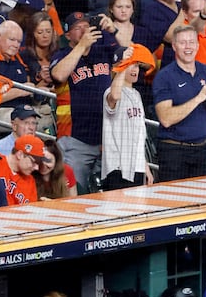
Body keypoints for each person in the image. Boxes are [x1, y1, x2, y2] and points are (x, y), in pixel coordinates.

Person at [50, 11, 123, 193]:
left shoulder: (104, 49)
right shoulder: (63, 54)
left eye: (86, 26)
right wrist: (81, 47)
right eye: (77, 28)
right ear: (67, 35)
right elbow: (58, 74)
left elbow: (132, 57)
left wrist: (113, 31)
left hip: (108, 137)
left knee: (112, 192)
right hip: (76, 139)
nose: (83, 31)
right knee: (73, 193)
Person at [153, 25, 206, 181]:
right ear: (174, 46)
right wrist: (198, 98)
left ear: (198, 45)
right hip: (174, 151)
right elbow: (166, 119)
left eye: (191, 42)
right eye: (183, 43)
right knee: (175, 202)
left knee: (202, 202)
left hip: (202, 150)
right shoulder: (164, 76)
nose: (188, 47)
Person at [101, 43, 155, 190]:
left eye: (136, 65)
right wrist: (123, 65)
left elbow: (139, 136)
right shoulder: (109, 91)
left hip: (137, 167)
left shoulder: (137, 95)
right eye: (130, 65)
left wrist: (145, 167)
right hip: (117, 168)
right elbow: (115, 95)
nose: (135, 69)